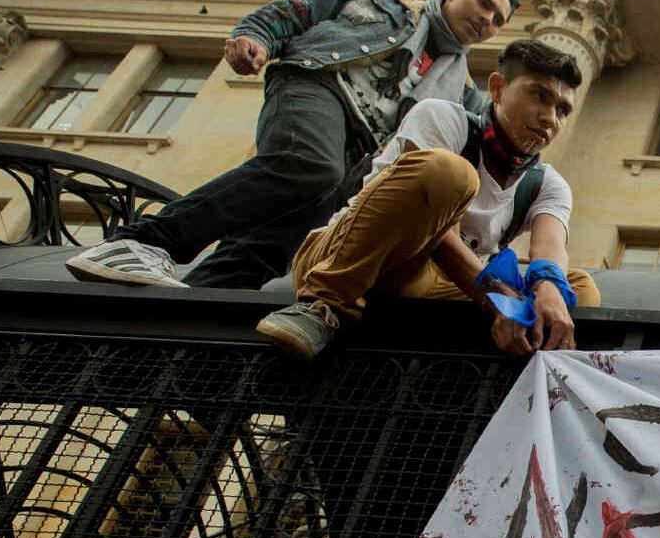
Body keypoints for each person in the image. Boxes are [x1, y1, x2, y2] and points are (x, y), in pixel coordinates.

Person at [66, 0, 519, 291]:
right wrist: (256, 37)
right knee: (308, 166)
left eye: (498, 20)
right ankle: (140, 242)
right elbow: (297, 12)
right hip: (318, 86)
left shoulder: (462, 94)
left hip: (362, 151)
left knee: (274, 245)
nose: (487, 20)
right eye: (483, 3)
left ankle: (183, 348)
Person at [253, 38, 597, 361]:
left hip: (428, 285)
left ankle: (506, 382)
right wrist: (498, 299)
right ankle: (323, 306)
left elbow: (550, 249)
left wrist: (550, 290)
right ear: (497, 88)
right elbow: (438, 236)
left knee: (577, 291)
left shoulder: (547, 183)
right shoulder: (444, 119)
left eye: (563, 109)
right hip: (351, 258)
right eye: (539, 96)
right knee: (450, 173)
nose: (550, 118)